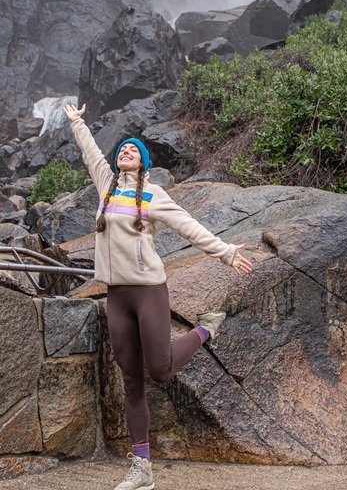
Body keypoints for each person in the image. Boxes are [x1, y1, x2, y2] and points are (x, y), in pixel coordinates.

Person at [63, 103, 253, 490]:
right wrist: (78, 122)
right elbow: (92, 153)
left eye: (133, 149)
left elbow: (189, 227)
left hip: (148, 290)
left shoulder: (153, 195)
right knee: (131, 380)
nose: (125, 151)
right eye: (122, 149)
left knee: (160, 371)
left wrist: (227, 252)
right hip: (115, 295)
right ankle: (142, 469)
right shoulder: (106, 185)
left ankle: (205, 330)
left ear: (143, 161)